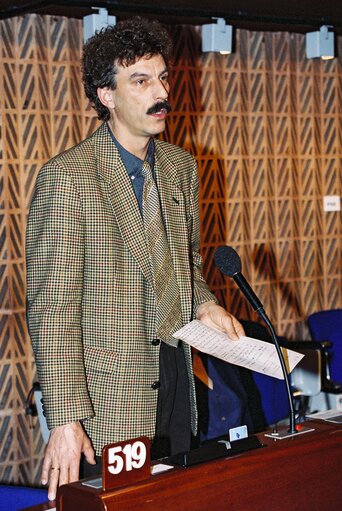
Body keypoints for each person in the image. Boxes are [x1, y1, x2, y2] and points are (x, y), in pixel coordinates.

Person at [25, 17, 244, 501]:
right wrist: (64, 418)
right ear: (107, 95)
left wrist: (205, 302)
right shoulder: (68, 179)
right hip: (109, 394)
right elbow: (52, 306)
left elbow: (184, 263)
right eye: (140, 81)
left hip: (176, 373)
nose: (159, 92)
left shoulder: (181, 168)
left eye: (163, 78)